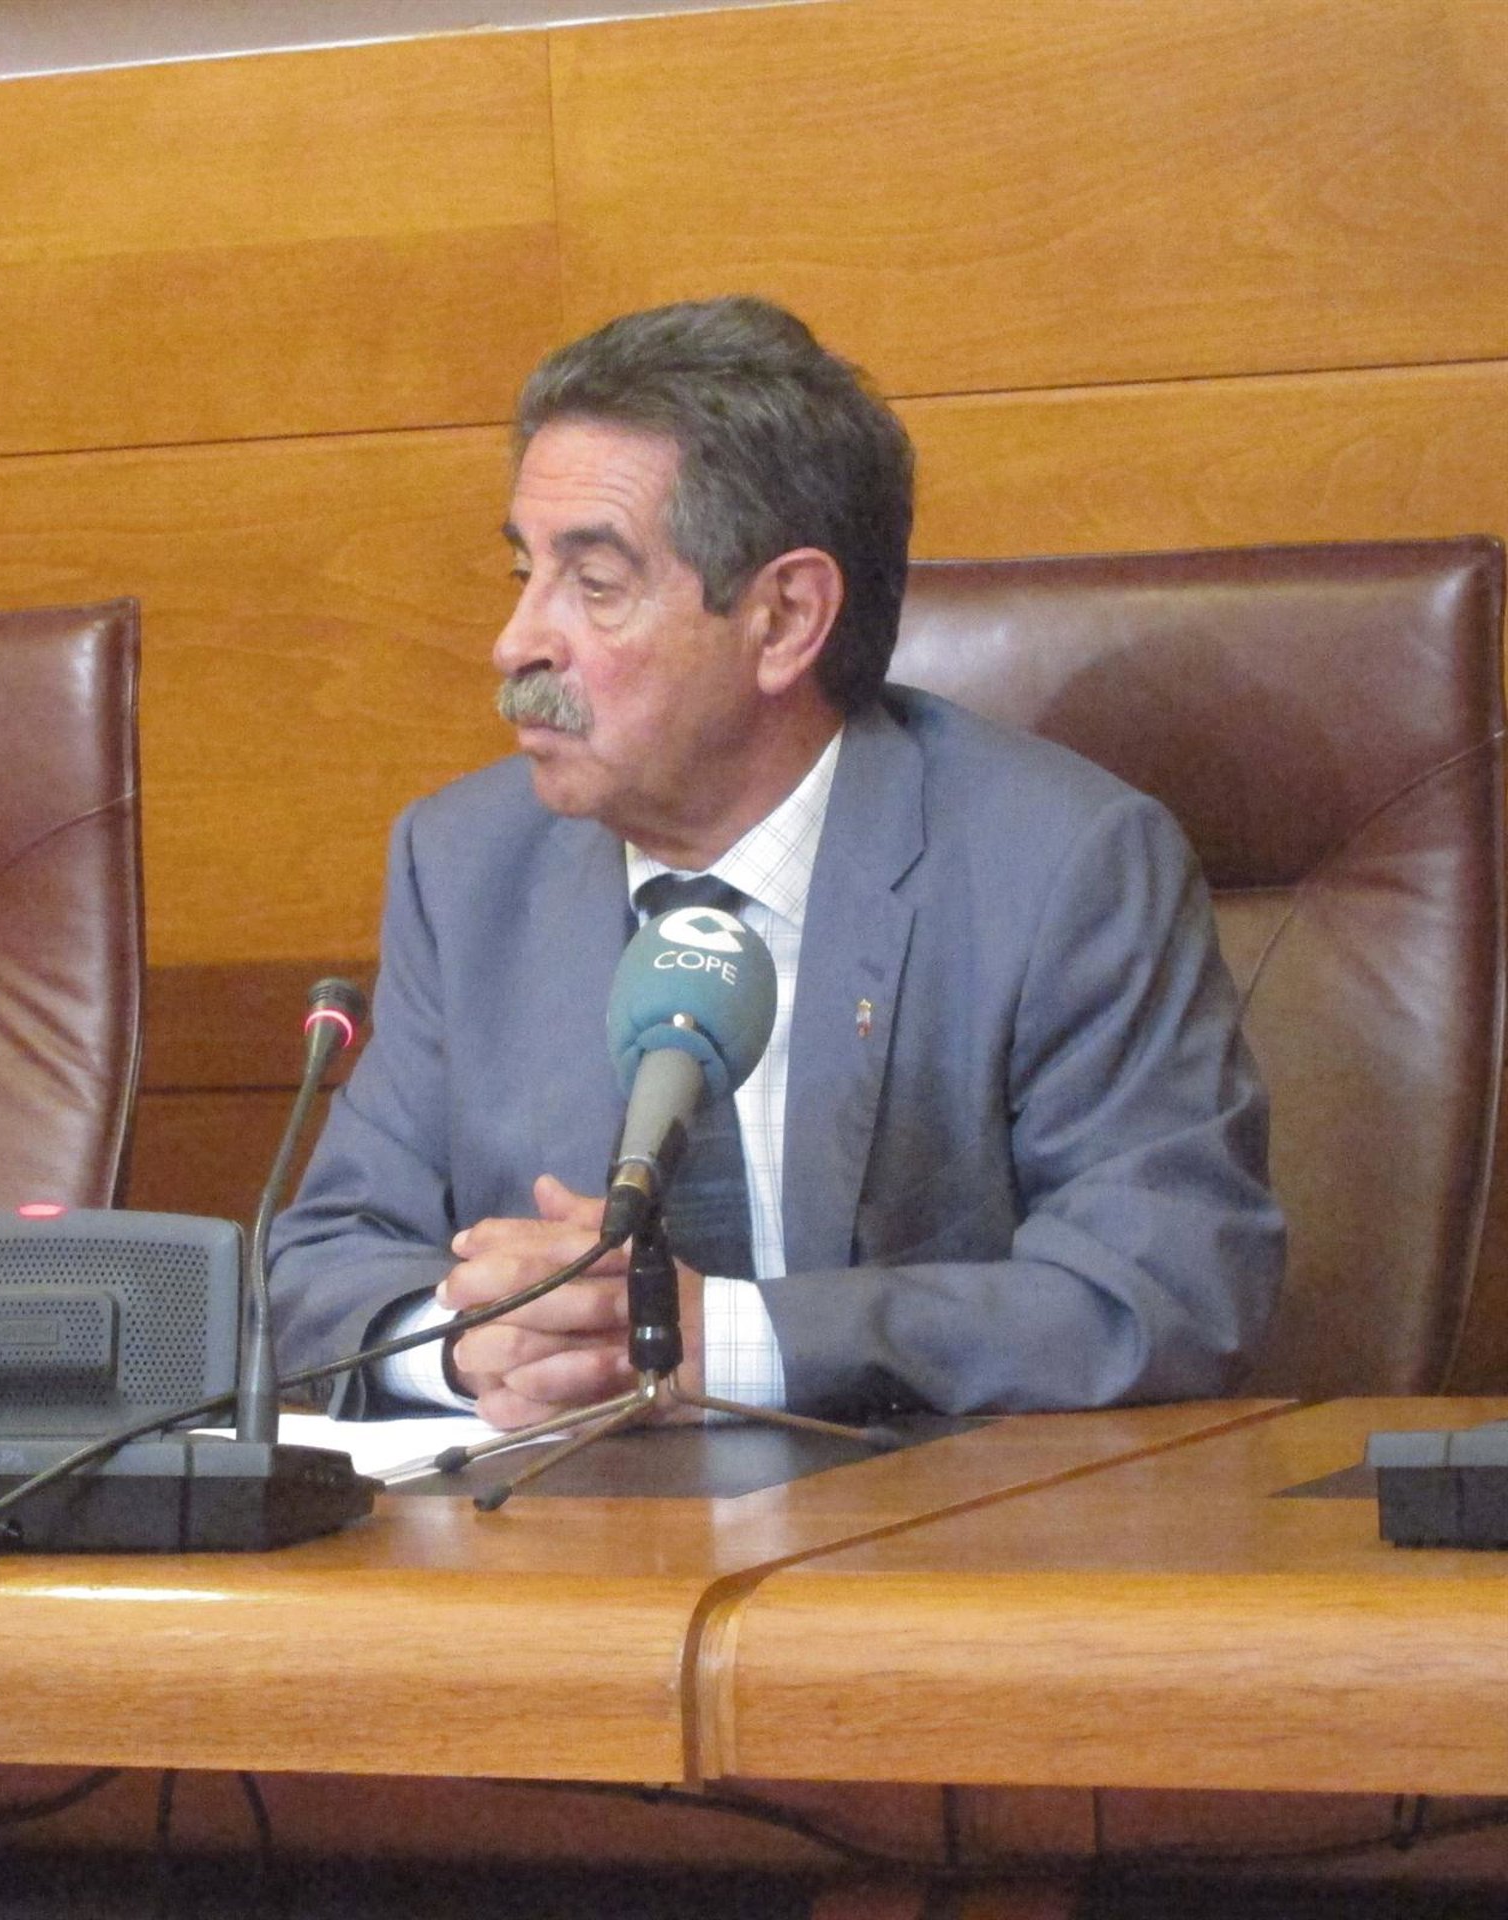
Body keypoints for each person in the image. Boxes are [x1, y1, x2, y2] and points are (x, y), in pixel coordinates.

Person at [269, 296, 1283, 1427]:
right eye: (525, 577)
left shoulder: (1059, 867)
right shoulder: (467, 868)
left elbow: (1163, 1290)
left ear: (787, 619)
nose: (516, 645)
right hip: (565, 1520)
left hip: (926, 1523)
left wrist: (729, 1340)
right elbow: (320, 1264)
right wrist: (470, 1344)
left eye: (593, 586)